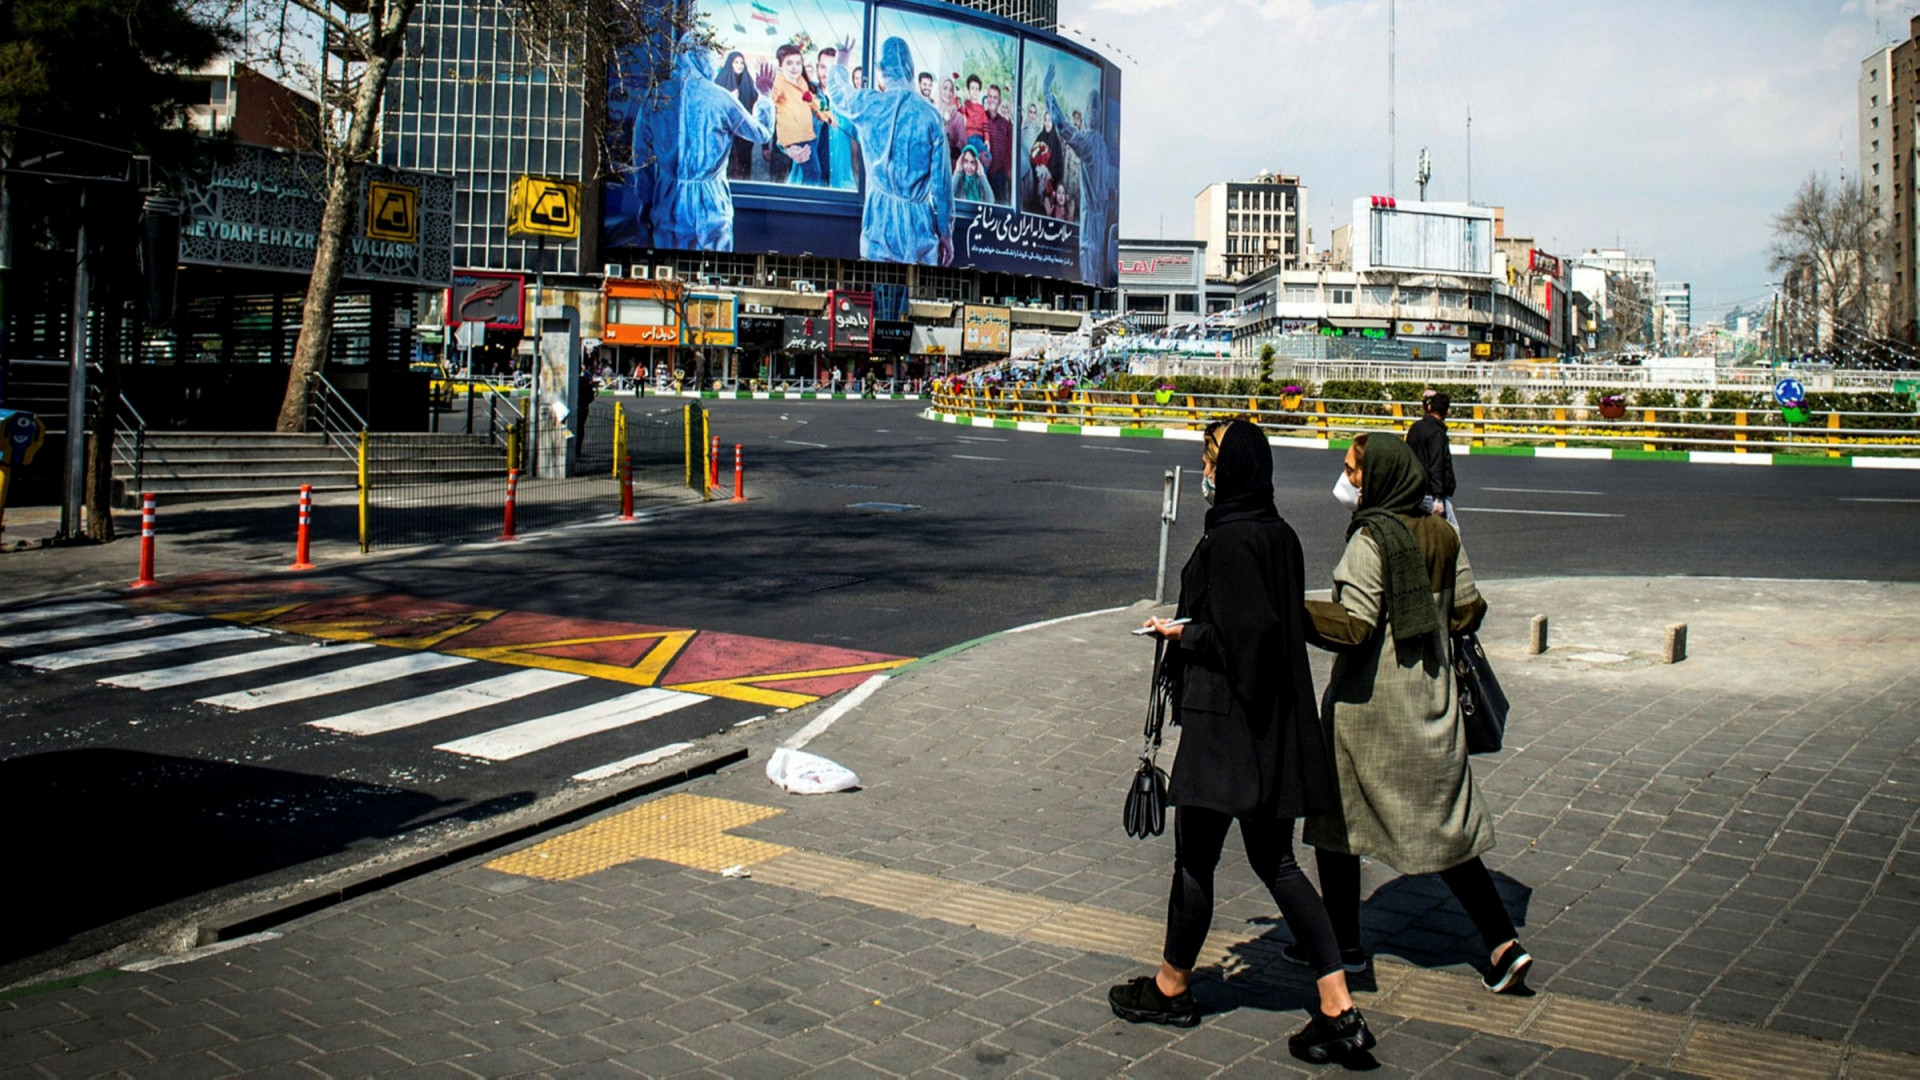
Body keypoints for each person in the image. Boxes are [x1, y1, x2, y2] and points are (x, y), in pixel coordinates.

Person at [1112, 420, 1377, 1064]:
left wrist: (1182, 636)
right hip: (1275, 729)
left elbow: (1242, 638)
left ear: (1230, 469)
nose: (1207, 470)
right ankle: (1339, 1008)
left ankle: (1173, 988)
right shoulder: (1280, 535)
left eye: (1211, 458)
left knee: (1197, 860)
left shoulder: (1228, 539)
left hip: (1224, 726)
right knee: (1277, 864)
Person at [1302, 432, 1532, 994]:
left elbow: (1354, 625)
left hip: (1367, 712)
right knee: (1446, 832)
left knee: (1338, 829)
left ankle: (1346, 948)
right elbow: (1468, 611)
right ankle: (1503, 945)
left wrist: (1293, 609)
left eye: (1354, 469)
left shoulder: (1371, 540)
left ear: (1381, 475)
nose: (1349, 479)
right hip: (1431, 707)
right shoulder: (1444, 536)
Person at [825, 37, 954, 266]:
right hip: (920, 227)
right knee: (917, 296)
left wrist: (842, 60)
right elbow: (942, 185)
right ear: (912, 69)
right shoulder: (930, 116)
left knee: (877, 292)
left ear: (882, 70)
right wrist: (945, 232)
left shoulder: (869, 104)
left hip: (879, 222)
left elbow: (837, 92)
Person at [658, 37, 773, 251]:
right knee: (713, 273)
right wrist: (765, 96)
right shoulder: (721, 99)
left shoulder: (656, 96)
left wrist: (647, 202)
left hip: (667, 202)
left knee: (667, 269)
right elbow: (761, 133)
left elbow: (640, 157)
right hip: (710, 205)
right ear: (707, 58)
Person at [1044, 67, 1115, 285]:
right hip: (1097, 217)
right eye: (1090, 111)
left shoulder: (1094, 142)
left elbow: (1064, 127)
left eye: (1096, 111)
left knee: (1088, 260)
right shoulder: (1099, 143)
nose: (1092, 115)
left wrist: (1048, 94)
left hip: (1094, 218)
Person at [768, 44, 821, 184]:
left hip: (811, 138)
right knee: (812, 174)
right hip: (797, 139)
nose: (795, 67)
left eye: (798, 63)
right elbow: (770, 99)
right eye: (789, 63)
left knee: (814, 173)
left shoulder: (803, 83)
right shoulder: (780, 82)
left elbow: (812, 101)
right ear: (780, 65)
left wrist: (827, 115)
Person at [1405, 391, 1458, 525]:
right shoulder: (1437, 433)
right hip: (1429, 493)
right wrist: (1438, 498)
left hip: (1412, 489)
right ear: (1446, 411)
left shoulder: (1416, 428)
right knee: (1452, 530)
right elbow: (1436, 465)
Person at [714, 51, 759, 180]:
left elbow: (754, 101)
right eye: (736, 62)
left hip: (744, 131)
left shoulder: (748, 82)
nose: (739, 65)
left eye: (742, 63)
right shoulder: (721, 81)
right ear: (730, 63)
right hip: (726, 131)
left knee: (744, 163)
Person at [983, 84, 1013, 202]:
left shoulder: (1006, 125)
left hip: (999, 176)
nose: (992, 100)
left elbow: (1009, 151)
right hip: (982, 174)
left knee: (1000, 207)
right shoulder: (980, 117)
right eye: (990, 96)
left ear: (999, 101)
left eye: (995, 97)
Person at [952, 136, 991, 203]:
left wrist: (982, 176)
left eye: (972, 162)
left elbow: (991, 200)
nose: (969, 167)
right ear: (961, 161)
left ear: (977, 164)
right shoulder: (959, 179)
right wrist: (957, 172)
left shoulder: (980, 180)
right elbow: (948, 196)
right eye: (966, 161)